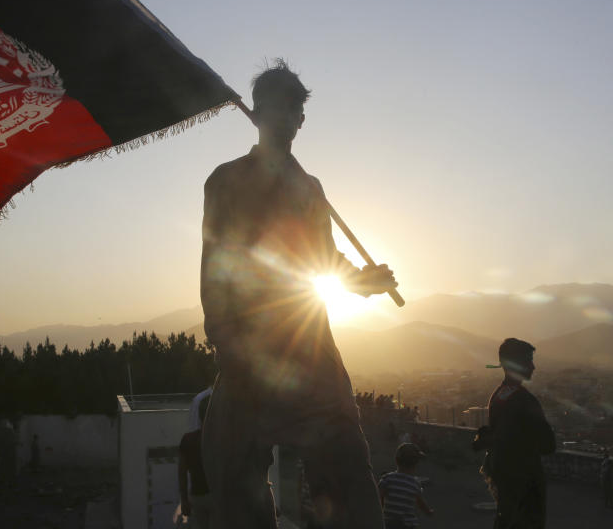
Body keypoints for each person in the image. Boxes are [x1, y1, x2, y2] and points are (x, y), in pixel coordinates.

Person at [200, 59, 398, 528]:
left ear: (301, 120)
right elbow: (216, 271)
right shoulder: (225, 180)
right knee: (228, 469)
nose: (287, 117)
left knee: (349, 474)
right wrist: (227, 348)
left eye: (295, 110)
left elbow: (325, 264)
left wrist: (365, 283)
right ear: (257, 111)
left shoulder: (311, 189)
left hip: (309, 347)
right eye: (277, 107)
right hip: (247, 351)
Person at [474, 338, 555, 529]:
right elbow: (548, 445)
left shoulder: (498, 396)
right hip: (525, 483)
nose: (533, 366)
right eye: (528, 361)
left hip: (504, 480)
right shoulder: (524, 400)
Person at [377, 443, 434, 529]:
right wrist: (428, 511)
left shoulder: (387, 478)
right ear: (416, 464)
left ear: (396, 460)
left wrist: (380, 512)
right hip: (408, 525)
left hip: (389, 523)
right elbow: (420, 502)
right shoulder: (415, 483)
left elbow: (378, 497)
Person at [179, 396, 212, 528]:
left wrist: (184, 500)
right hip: (218, 499)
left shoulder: (188, 440)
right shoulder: (224, 442)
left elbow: (181, 473)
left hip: (197, 498)